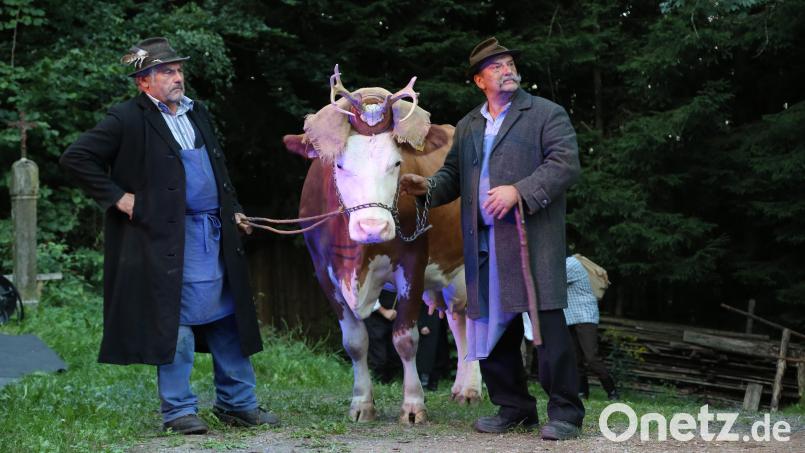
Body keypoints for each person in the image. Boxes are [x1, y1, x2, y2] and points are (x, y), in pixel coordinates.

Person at [60, 37, 277, 435]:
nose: (178, 78)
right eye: (167, 72)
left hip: (214, 234)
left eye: (179, 70)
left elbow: (217, 171)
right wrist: (119, 198)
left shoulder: (197, 112)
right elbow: (76, 157)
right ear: (144, 81)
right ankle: (178, 410)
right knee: (175, 322)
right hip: (165, 241)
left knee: (229, 317)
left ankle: (238, 404)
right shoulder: (127, 118)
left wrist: (232, 209)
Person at [400, 37, 584, 440]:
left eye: (510, 63)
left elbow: (565, 164)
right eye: (496, 66)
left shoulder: (545, 114)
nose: (507, 70)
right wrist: (428, 187)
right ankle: (514, 408)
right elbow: (453, 176)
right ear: (479, 80)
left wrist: (519, 191)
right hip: (482, 243)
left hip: (531, 240)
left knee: (548, 328)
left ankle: (566, 413)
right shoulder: (469, 125)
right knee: (491, 329)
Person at [564, 255, 619, 400]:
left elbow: (553, 282)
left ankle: (612, 392)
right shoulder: (563, 264)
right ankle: (582, 393)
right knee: (576, 358)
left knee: (591, 357)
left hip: (585, 316)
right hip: (571, 317)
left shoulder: (571, 264)